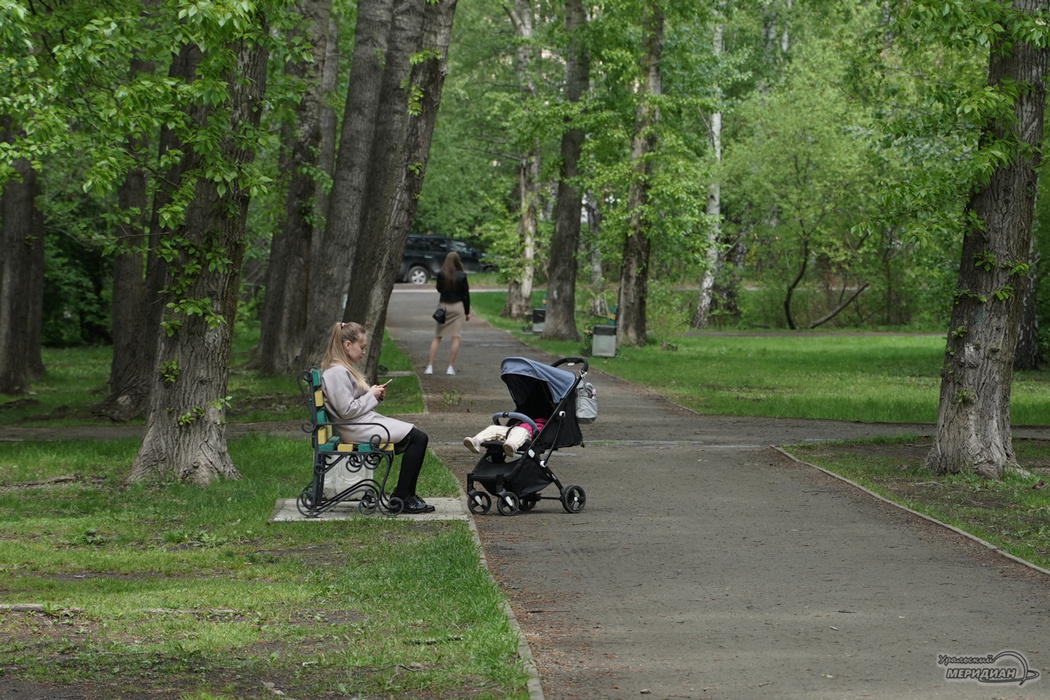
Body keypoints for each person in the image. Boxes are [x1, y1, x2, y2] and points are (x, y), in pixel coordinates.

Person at [321, 321, 435, 514]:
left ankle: (406, 494)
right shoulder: (336, 372)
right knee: (418, 438)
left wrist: (374, 396)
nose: (364, 352)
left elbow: (351, 405)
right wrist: (370, 395)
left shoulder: (340, 369)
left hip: (359, 423)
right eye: (362, 347)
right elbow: (346, 411)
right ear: (347, 345)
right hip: (354, 427)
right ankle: (403, 496)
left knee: (417, 437)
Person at [425, 251, 470, 376]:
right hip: (458, 307)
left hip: (443, 307)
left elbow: (439, 289)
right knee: (455, 338)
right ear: (457, 261)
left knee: (437, 336)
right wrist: (467, 312)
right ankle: (450, 367)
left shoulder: (441, 274)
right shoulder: (462, 276)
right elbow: (465, 295)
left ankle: (430, 366)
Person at [463, 417, 547, 459]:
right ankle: (476, 441)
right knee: (493, 428)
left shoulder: (544, 422)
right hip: (511, 429)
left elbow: (540, 431)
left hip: (528, 434)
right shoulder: (526, 417)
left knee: (520, 432)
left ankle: (511, 445)